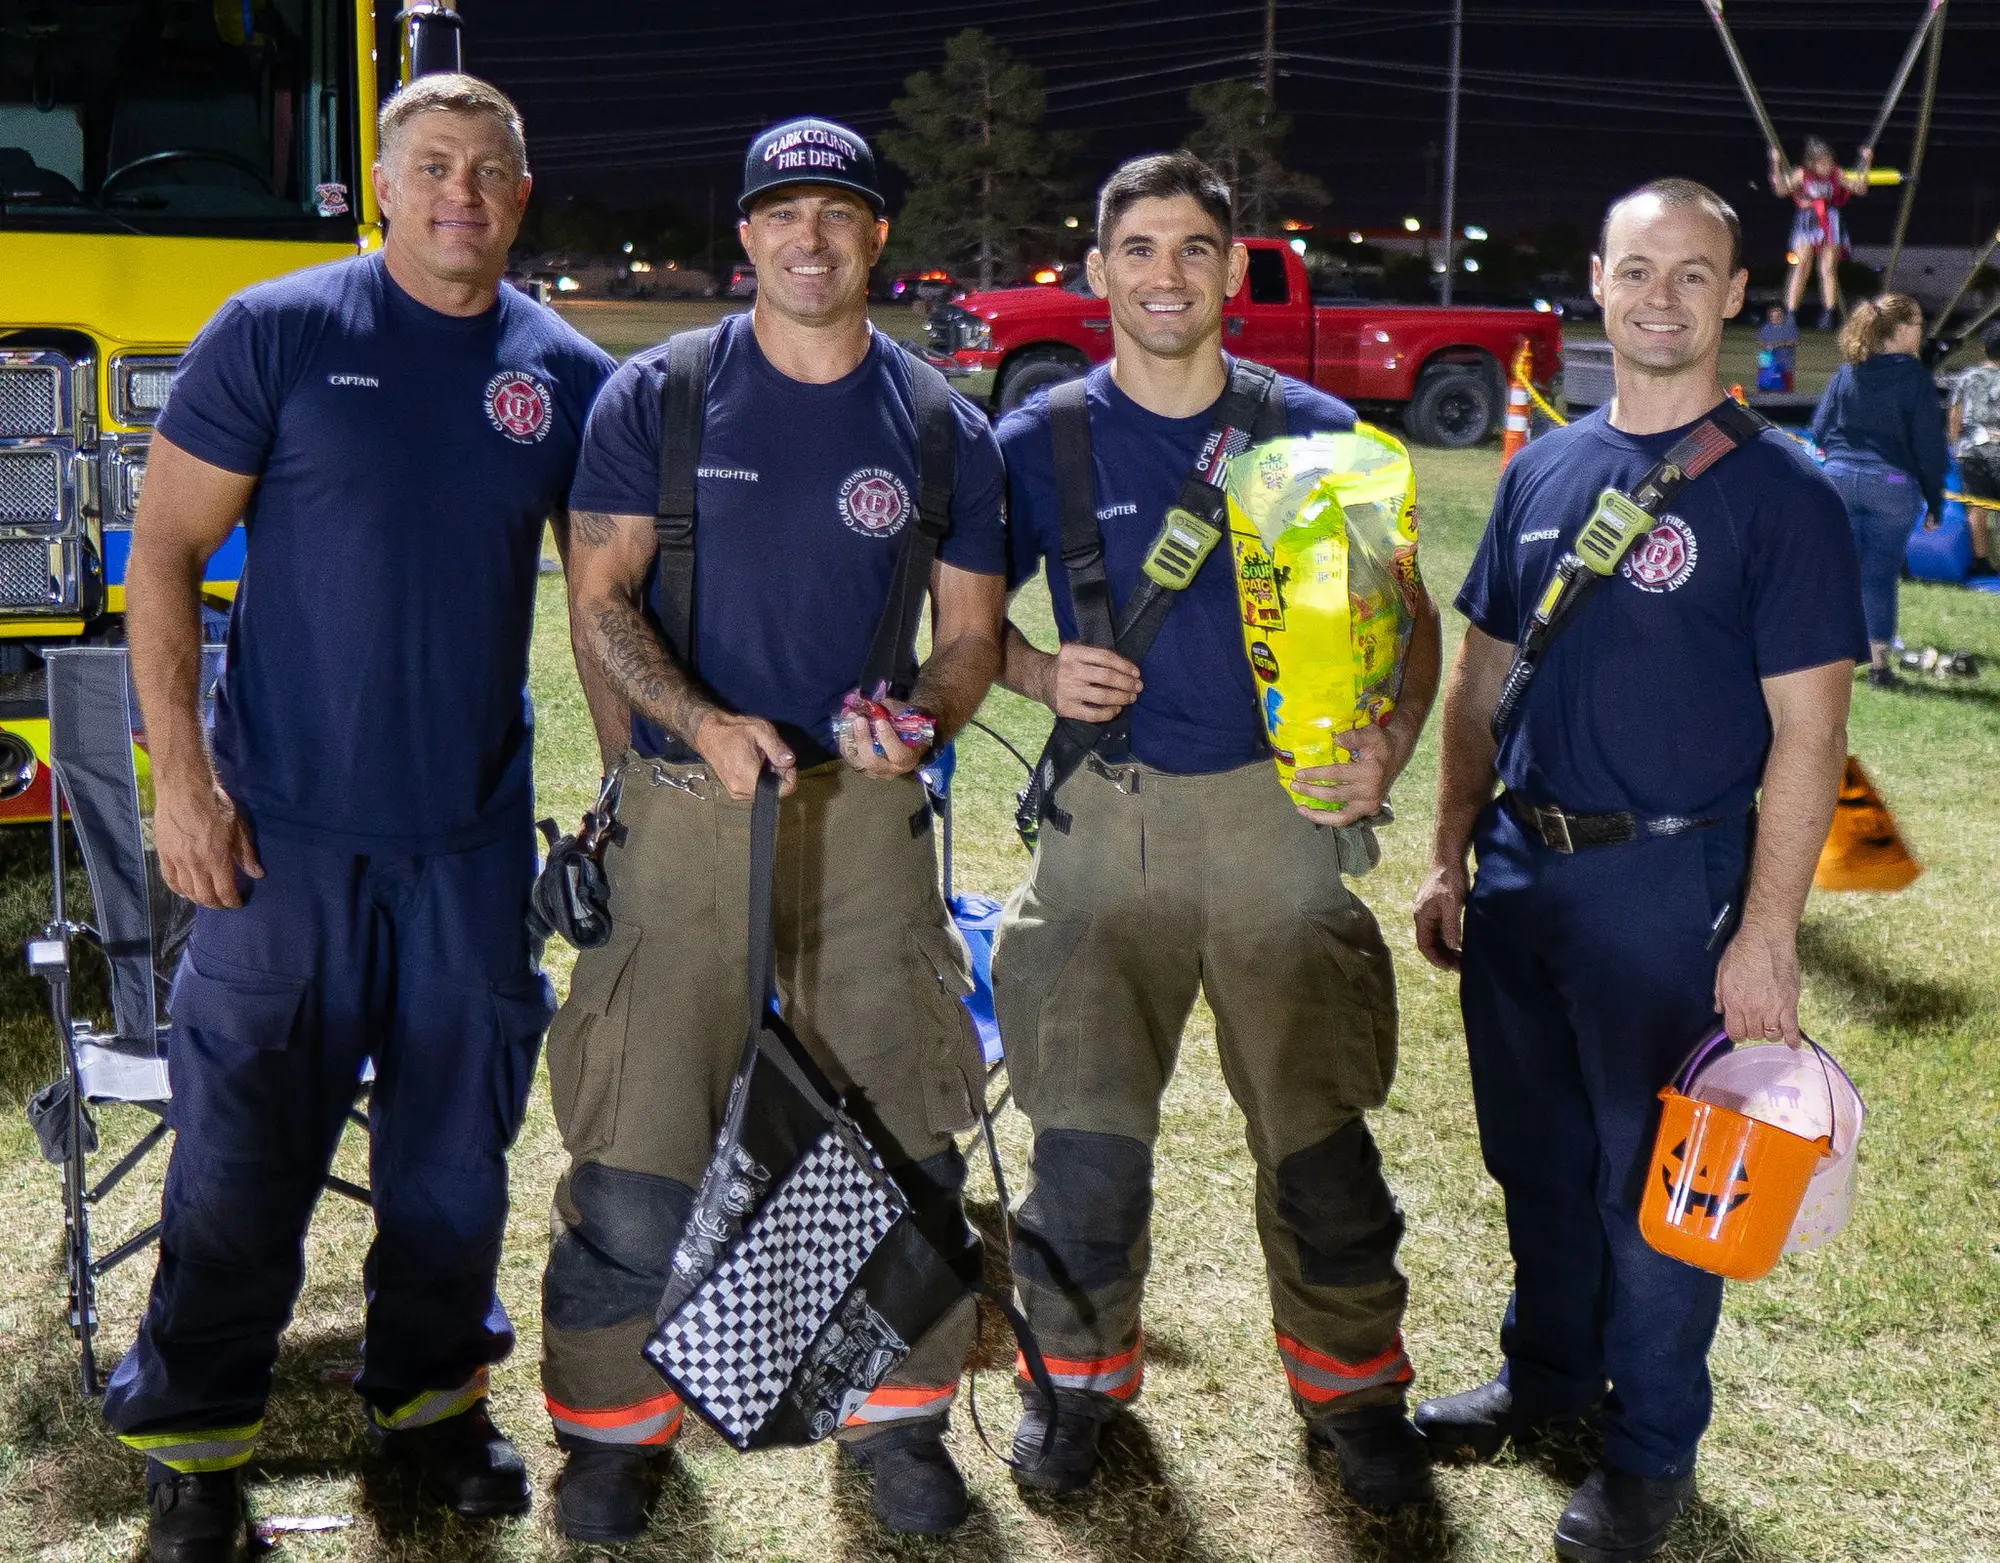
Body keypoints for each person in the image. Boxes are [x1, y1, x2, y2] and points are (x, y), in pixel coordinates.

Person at [108, 75, 614, 1562]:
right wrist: (181, 781)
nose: (464, 191)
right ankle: (197, 1447)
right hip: (282, 844)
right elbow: (164, 554)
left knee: (456, 1160)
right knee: (241, 1156)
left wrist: (628, 772)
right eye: (434, 166)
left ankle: (430, 1405)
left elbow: (599, 599)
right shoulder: (277, 331)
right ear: (384, 187)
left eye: (492, 170)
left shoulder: (566, 373)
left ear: (524, 193)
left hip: (467, 846)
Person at [542, 116, 1008, 1542]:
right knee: (637, 1144)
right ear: (745, 237)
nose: (809, 238)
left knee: (906, 1133)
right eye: (780, 213)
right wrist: (691, 732)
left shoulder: (942, 423)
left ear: (876, 237)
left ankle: (903, 1423)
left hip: (862, 829)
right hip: (689, 821)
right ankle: (614, 1434)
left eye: (839, 213)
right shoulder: (656, 395)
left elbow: (975, 637)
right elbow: (601, 598)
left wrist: (916, 715)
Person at [1412, 179, 1862, 1563]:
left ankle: (1651, 1445)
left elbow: (1812, 733)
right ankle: (1545, 1377)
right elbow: (1481, 679)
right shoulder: (1543, 466)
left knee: (1655, 1185)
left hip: (1670, 893)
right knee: (1533, 1156)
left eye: (1691, 274)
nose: (1658, 298)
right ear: (1595, 289)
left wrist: (1768, 934)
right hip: (1519, 879)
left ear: (1736, 295)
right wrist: (1446, 854)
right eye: (1633, 271)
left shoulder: (1781, 496)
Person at [991, 151, 1443, 1513]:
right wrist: (1033, 671)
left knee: (1320, 1142)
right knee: (1080, 1139)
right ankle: (1072, 1385)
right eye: (1139, 248)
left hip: (1276, 825)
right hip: (1100, 827)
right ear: (1098, 269)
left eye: (1195, 248)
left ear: (1233, 268)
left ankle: (1355, 1388)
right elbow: (949, 630)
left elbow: (1413, 624)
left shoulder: (1314, 429)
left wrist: (1387, 745)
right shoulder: (1038, 439)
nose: (1166, 275)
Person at [1811, 293, 1949, 684]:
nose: (1923, 332)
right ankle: (1879, 666)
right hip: (1889, 484)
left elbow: (1820, 430)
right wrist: (1935, 502)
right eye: (1919, 323)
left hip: (1837, 479)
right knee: (1878, 576)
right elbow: (1928, 447)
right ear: (1900, 329)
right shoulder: (1915, 379)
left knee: (1841, 574)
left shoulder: (1846, 373)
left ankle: (1830, 661)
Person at [1769, 136, 1871, 328]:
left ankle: (1828, 314)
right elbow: (1781, 190)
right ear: (1812, 163)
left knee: (1828, 268)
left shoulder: (1836, 174)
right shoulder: (1802, 174)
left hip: (1830, 221)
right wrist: (1775, 163)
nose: (1827, 166)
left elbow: (1861, 188)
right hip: (1807, 220)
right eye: (1822, 163)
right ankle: (1791, 313)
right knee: (1801, 266)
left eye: (1829, 162)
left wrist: (1866, 162)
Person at [1947, 320, 2000, 576]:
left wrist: (1954, 443)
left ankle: (1981, 561)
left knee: (1976, 505)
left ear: (1983, 348)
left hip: (1972, 451)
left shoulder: (1966, 377)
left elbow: (1955, 415)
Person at [1756, 303, 1797, 393]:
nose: (1775, 318)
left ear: (1782, 315)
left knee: (1786, 389)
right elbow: (1760, 341)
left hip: (1785, 362)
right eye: (1772, 316)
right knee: (1763, 387)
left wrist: (1780, 344)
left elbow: (1793, 341)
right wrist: (1766, 345)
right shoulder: (1765, 328)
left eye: (1777, 315)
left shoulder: (1789, 328)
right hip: (1767, 361)